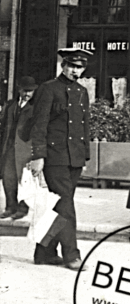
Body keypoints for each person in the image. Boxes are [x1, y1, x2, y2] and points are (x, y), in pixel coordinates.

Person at [27, 48, 92, 271]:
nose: (75, 70)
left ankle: (44, 253)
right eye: (72, 66)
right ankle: (72, 255)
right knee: (66, 206)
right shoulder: (48, 89)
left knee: (57, 207)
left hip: (74, 158)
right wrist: (38, 156)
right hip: (54, 157)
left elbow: (84, 124)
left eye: (80, 67)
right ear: (63, 66)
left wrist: (85, 155)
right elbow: (39, 125)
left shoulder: (82, 92)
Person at [0, 76, 37, 220]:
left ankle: (22, 209)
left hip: (25, 150)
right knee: (8, 178)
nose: (27, 94)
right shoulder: (10, 106)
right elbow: (3, 127)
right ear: (19, 90)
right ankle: (10, 207)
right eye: (25, 91)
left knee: (24, 180)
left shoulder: (35, 108)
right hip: (8, 148)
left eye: (31, 91)